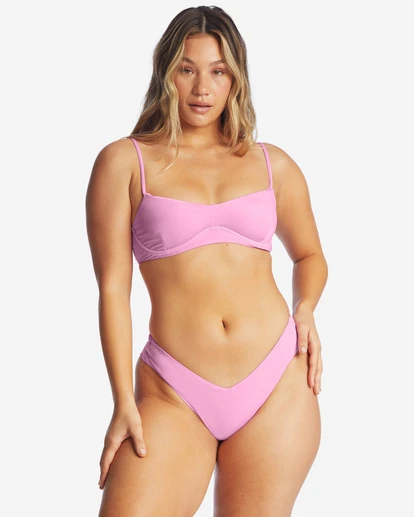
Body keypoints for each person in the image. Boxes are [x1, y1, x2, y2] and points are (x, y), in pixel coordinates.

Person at [86, 5, 328, 516]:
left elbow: (309, 254)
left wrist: (305, 309)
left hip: (276, 382)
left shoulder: (272, 164)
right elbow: (112, 289)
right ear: (165, 73)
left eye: (218, 71)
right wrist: (122, 400)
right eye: (187, 69)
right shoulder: (125, 162)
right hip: (174, 391)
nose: (202, 88)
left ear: (235, 79)